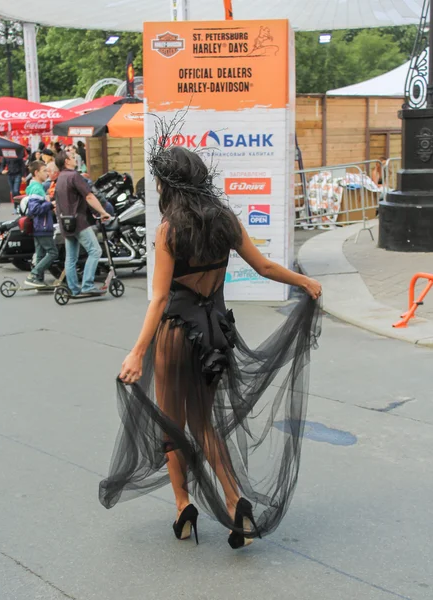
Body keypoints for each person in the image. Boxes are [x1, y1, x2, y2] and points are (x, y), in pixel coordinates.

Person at [98, 145, 322, 550]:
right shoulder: (225, 220)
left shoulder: (169, 229)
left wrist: (136, 352)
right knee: (204, 424)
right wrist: (305, 282)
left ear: (167, 184)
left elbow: (160, 300)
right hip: (215, 333)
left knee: (172, 423)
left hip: (175, 335)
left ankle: (184, 506)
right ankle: (237, 503)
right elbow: (265, 267)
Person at [54, 150, 110, 296]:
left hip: (65, 222)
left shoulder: (60, 178)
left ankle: (73, 288)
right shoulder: (74, 176)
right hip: (78, 221)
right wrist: (103, 212)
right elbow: (89, 196)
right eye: (72, 157)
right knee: (95, 250)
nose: (74, 159)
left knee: (71, 257)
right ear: (66, 161)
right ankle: (87, 285)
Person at [24, 161, 59, 288]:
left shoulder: (35, 187)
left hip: (38, 226)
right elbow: (34, 209)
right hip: (43, 226)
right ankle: (34, 274)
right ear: (36, 173)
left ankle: (37, 280)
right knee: (53, 252)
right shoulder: (37, 188)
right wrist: (50, 204)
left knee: (40, 254)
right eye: (44, 171)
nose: (47, 173)